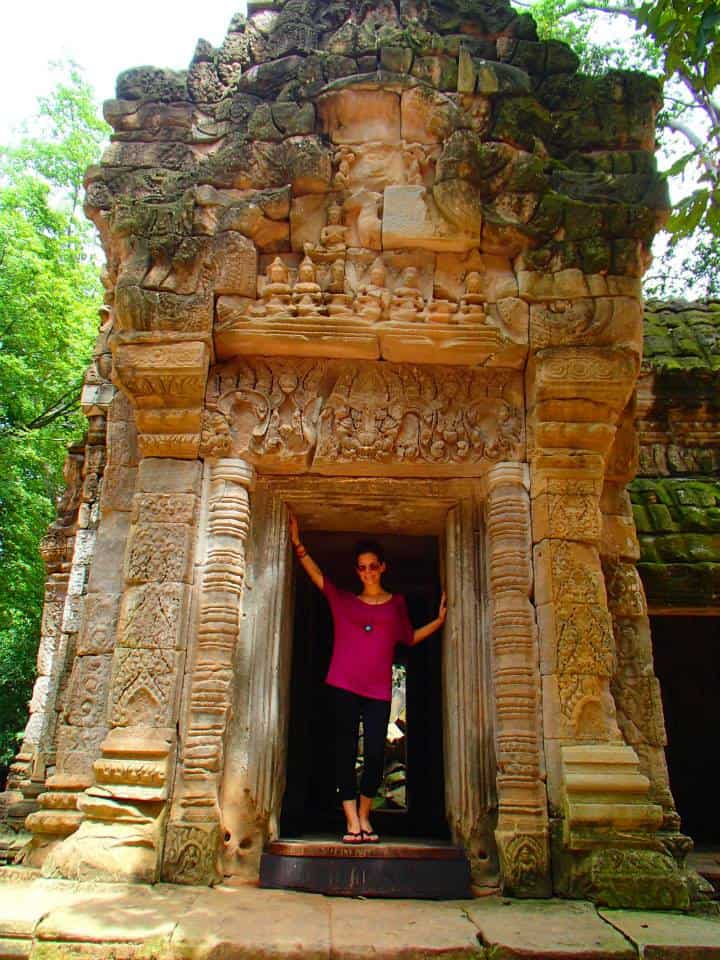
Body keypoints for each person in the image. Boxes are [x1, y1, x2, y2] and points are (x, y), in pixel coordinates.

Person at [288, 513, 447, 844]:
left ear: (383, 567)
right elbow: (318, 577)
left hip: (377, 691)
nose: (368, 572)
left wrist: (439, 621)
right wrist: (299, 545)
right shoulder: (344, 602)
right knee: (343, 752)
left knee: (375, 754)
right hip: (342, 685)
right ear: (357, 571)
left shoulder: (396, 605)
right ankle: (351, 821)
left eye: (373, 565)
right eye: (362, 567)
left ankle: (364, 814)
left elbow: (409, 638)